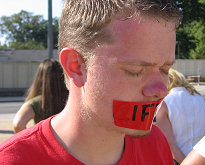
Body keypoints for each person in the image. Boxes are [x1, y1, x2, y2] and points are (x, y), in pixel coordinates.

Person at [0, 0, 181, 164]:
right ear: (76, 66)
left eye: (165, 69)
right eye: (135, 70)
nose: (161, 90)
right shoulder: (14, 160)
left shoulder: (155, 144)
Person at [156, 68, 205, 165]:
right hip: (202, 158)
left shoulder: (165, 103)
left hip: (178, 160)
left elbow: (169, 143)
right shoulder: (200, 99)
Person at [13, 58, 68, 133]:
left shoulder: (35, 103)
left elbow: (18, 125)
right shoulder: (70, 99)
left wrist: (32, 141)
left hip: (44, 143)